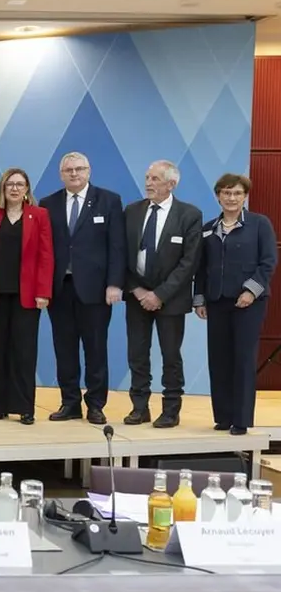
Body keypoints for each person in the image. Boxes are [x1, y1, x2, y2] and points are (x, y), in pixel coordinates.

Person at [40, 151, 124, 424]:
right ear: (61, 174)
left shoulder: (109, 201)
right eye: (68, 170)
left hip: (97, 291)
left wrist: (114, 284)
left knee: (96, 349)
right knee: (64, 348)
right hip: (60, 289)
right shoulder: (48, 203)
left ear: (89, 171)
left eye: (79, 169)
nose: (74, 174)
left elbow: (117, 246)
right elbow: (44, 250)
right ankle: (70, 402)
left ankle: (96, 405)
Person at [122, 161, 202, 429]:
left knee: (170, 355)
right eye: (147, 177)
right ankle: (139, 407)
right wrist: (137, 289)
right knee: (137, 354)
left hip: (171, 299)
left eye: (155, 178)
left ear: (171, 184)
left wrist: (160, 294)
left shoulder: (189, 214)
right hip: (137, 296)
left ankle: (170, 410)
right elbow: (122, 255)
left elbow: (189, 262)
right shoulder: (132, 211)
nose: (148, 183)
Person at [194, 173, 276, 436]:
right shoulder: (208, 227)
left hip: (248, 304)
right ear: (218, 195)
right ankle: (223, 416)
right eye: (227, 193)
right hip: (216, 302)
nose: (231, 198)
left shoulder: (259, 224)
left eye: (237, 193)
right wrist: (199, 300)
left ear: (245, 196)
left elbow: (268, 262)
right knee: (218, 360)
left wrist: (251, 292)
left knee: (242, 360)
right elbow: (201, 267)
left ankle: (240, 420)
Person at [0, 168, 53, 425]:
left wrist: (43, 292)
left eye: (20, 184)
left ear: (27, 189)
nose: (14, 188)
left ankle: (25, 407)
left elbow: (46, 255)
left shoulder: (40, 216)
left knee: (24, 352)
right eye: (10, 184)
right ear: (3, 188)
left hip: (28, 296)